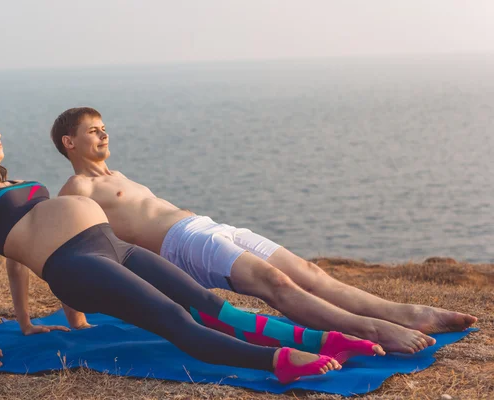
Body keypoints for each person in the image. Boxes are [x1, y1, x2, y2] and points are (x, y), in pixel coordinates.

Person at [0, 112, 384, 383]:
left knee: (210, 304)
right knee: (175, 320)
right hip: (76, 265)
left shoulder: (19, 183)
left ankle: (330, 340)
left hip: (113, 246)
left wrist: (28, 322)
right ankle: (280, 361)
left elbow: (15, 264)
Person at [50, 107, 477, 354]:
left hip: (209, 227)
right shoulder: (78, 187)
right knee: (276, 283)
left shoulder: (117, 173)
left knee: (310, 272)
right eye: (92, 129)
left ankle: (409, 314)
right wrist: (78, 316)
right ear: (69, 143)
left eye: (104, 126)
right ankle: (369, 330)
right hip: (183, 245)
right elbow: (76, 248)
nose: (103, 133)